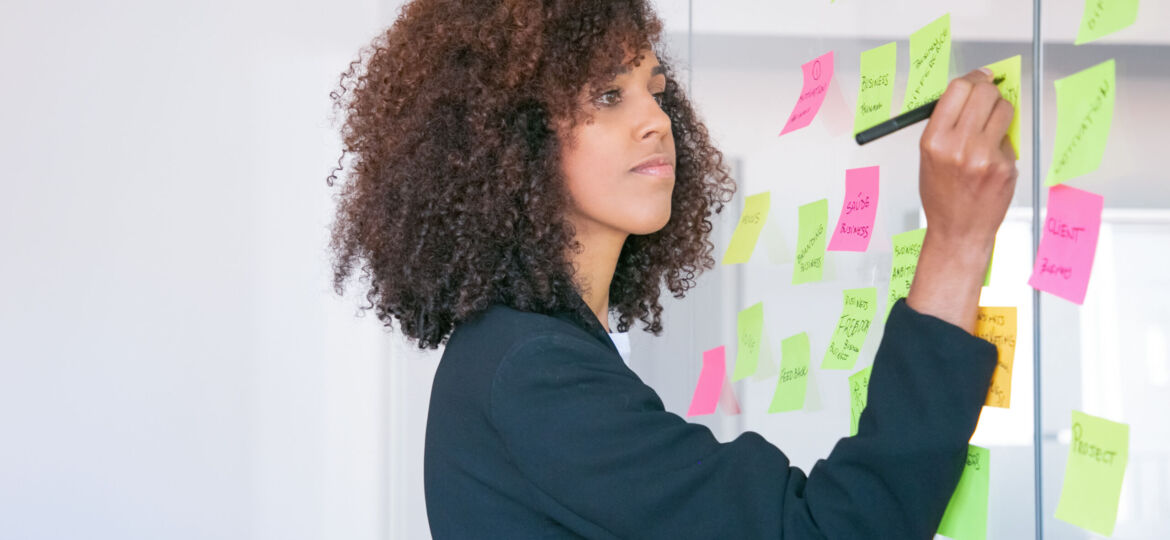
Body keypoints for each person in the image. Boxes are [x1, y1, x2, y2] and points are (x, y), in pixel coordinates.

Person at [327, 1, 1017, 538]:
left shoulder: (536, 348)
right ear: (509, 135)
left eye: (653, 88)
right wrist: (956, 242)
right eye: (606, 95)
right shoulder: (531, 370)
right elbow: (831, 533)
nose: (656, 119)